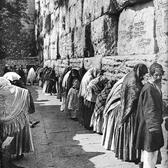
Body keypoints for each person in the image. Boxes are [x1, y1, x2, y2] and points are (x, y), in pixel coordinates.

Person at [135, 62, 166, 168]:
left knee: (151, 153)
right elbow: (150, 110)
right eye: (156, 75)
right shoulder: (149, 89)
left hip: (152, 125)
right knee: (150, 154)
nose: (159, 77)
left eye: (160, 74)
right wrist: (153, 128)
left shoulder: (155, 86)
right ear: (151, 75)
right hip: (150, 126)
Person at [0, 77, 34, 160]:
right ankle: (19, 153)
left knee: (8, 137)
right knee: (20, 136)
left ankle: (7, 153)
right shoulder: (23, 92)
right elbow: (30, 108)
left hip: (5, 122)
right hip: (21, 120)